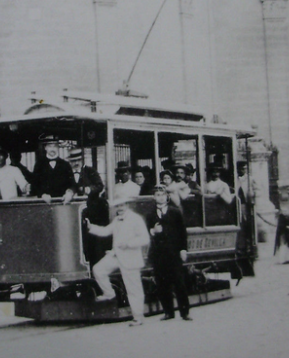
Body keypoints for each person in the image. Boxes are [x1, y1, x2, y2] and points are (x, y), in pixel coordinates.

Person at [85, 199, 150, 327]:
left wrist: (129, 244)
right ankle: (109, 293)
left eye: (122, 205)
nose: (119, 208)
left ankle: (138, 317)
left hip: (130, 258)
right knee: (98, 269)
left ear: (127, 205)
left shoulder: (135, 219)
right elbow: (105, 231)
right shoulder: (117, 220)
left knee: (133, 289)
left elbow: (145, 238)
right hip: (116, 255)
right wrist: (90, 227)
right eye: (117, 206)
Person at [146, 185, 192, 321]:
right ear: (154, 197)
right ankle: (168, 312)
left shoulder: (175, 212)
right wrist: (153, 231)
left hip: (174, 252)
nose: (160, 196)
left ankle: (185, 312)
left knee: (179, 282)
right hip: (158, 254)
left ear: (167, 196)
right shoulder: (150, 214)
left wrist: (183, 249)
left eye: (162, 194)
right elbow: (146, 232)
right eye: (157, 194)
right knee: (162, 283)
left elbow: (182, 233)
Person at [31, 135, 77, 204]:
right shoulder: (39, 165)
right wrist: (42, 195)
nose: (52, 149)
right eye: (50, 146)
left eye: (55, 146)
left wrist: (70, 192)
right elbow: (34, 186)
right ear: (45, 147)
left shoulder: (65, 165)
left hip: (63, 204)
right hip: (44, 204)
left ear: (58, 147)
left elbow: (72, 184)